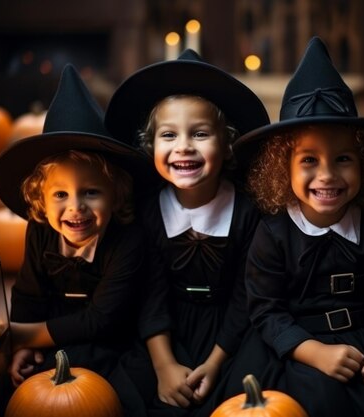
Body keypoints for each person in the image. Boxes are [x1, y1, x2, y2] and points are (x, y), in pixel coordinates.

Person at [230, 37, 364, 417]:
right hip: (297, 345)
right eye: (309, 160)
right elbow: (267, 311)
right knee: (316, 401)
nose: (327, 175)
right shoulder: (273, 233)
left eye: (343, 159)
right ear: (283, 167)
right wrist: (314, 352)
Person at [103, 49, 270, 416]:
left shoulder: (248, 213)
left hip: (232, 332)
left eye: (199, 133)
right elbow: (149, 294)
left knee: (246, 393)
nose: (183, 147)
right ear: (150, 147)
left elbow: (248, 297)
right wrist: (163, 365)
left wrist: (214, 362)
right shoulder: (146, 213)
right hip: (165, 329)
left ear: (226, 145)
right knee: (131, 391)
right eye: (168, 135)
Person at [0, 64, 152, 387]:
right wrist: (26, 346)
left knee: (111, 392)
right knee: (28, 386)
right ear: (40, 199)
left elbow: (102, 320)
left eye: (91, 192)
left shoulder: (127, 238)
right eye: (61, 194)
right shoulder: (40, 230)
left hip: (114, 340)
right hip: (55, 334)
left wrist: (20, 335)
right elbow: (28, 293)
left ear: (116, 195)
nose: (76, 208)